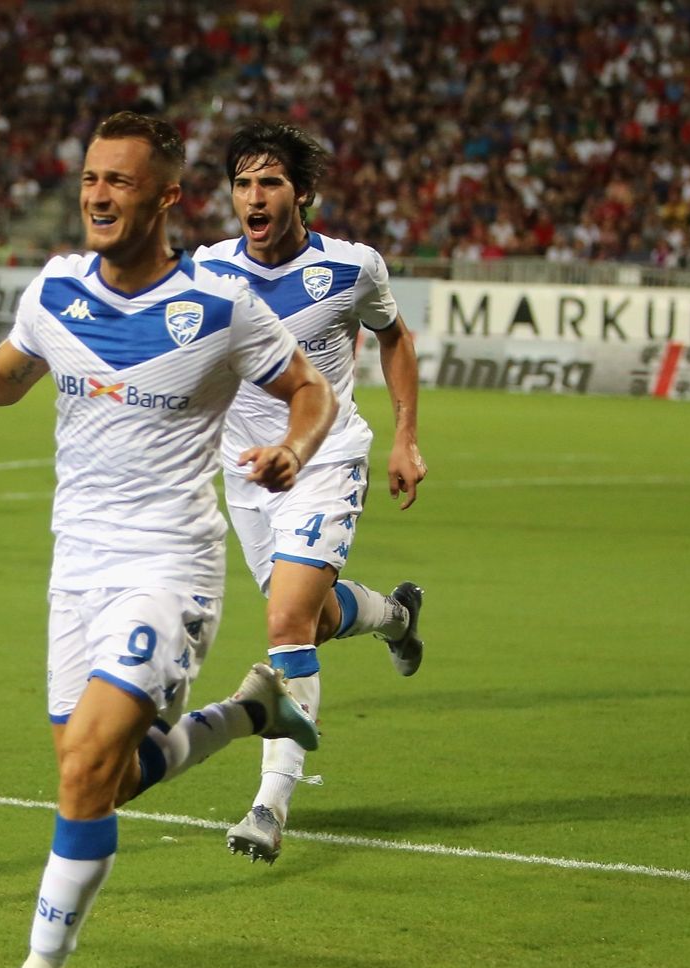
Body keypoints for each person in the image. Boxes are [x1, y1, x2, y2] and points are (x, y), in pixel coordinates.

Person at [0, 111, 335, 968]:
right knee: (107, 780)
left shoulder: (219, 306)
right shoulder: (55, 291)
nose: (96, 195)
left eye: (120, 182)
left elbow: (311, 390)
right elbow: (3, 378)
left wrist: (294, 446)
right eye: (90, 177)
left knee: (84, 766)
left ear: (168, 196)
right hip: (74, 568)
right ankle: (255, 710)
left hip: (168, 566)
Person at [191, 120, 426, 865]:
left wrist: (404, 436)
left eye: (270, 183)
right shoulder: (206, 268)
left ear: (304, 194)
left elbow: (395, 338)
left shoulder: (353, 269)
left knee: (287, 622)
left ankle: (268, 807)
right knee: (315, 620)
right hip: (247, 472)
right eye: (243, 184)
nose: (253, 198)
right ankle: (394, 614)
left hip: (324, 461)